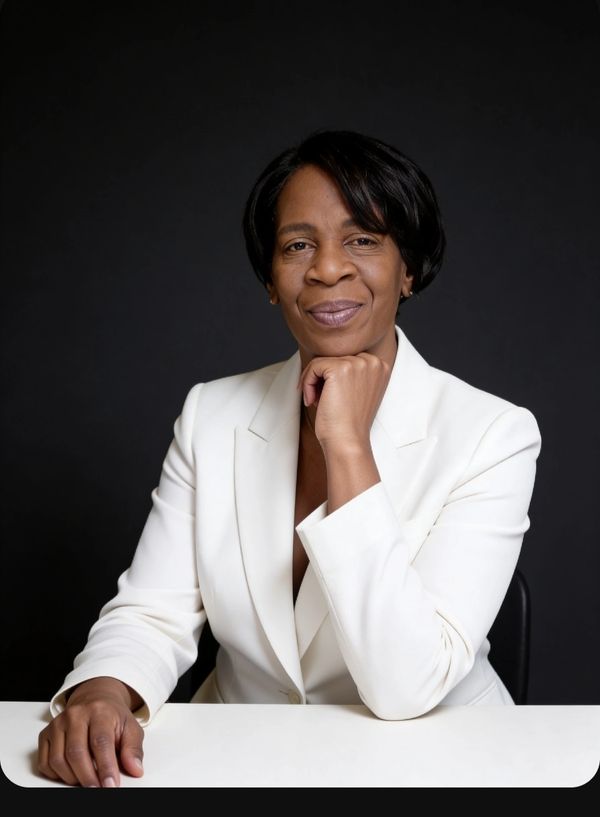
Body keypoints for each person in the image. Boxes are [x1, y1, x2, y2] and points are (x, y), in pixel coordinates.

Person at [37, 130, 541, 787]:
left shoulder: (492, 433)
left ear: (408, 268)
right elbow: (151, 611)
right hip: (237, 764)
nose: (328, 267)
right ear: (271, 282)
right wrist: (102, 691)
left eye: (362, 239)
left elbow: (405, 684)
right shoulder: (211, 415)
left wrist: (347, 443)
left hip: (432, 769)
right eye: (298, 244)